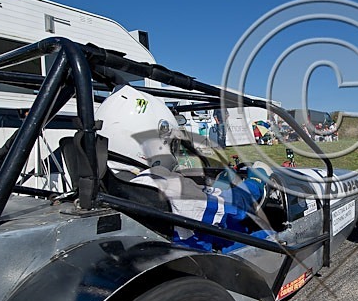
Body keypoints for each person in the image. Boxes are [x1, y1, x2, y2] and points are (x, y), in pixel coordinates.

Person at [96, 85, 268, 250]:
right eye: (171, 144)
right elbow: (233, 206)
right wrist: (256, 182)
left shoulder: (113, 178)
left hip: (162, 244)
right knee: (273, 237)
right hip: (200, 257)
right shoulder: (162, 183)